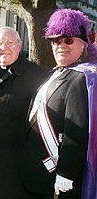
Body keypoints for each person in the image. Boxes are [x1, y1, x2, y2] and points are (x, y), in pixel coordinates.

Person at [22, 8, 97, 199]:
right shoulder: (53, 74)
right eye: (56, 40)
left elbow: (77, 132)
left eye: (69, 40)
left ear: (83, 45)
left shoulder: (82, 77)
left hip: (58, 179)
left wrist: (66, 173)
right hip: (36, 174)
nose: (61, 45)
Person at [0, 26, 47, 199]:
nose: (4, 47)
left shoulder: (36, 75)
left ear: (20, 46)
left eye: (10, 42)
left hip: (14, 165)